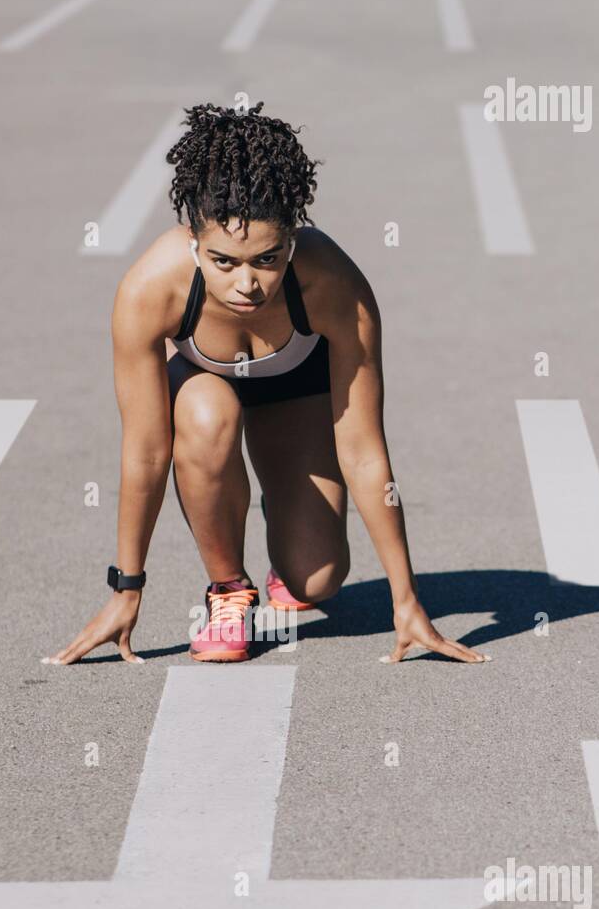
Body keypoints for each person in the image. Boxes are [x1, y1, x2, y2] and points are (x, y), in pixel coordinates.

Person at [45, 101, 490, 667]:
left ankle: (284, 528)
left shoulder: (336, 287)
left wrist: (406, 600)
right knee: (208, 418)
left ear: (293, 242)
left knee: (319, 579)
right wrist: (125, 589)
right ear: (193, 244)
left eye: (267, 259)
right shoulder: (149, 291)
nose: (247, 284)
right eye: (223, 261)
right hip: (203, 395)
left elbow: (365, 451)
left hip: (294, 391)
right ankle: (228, 590)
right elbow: (146, 453)